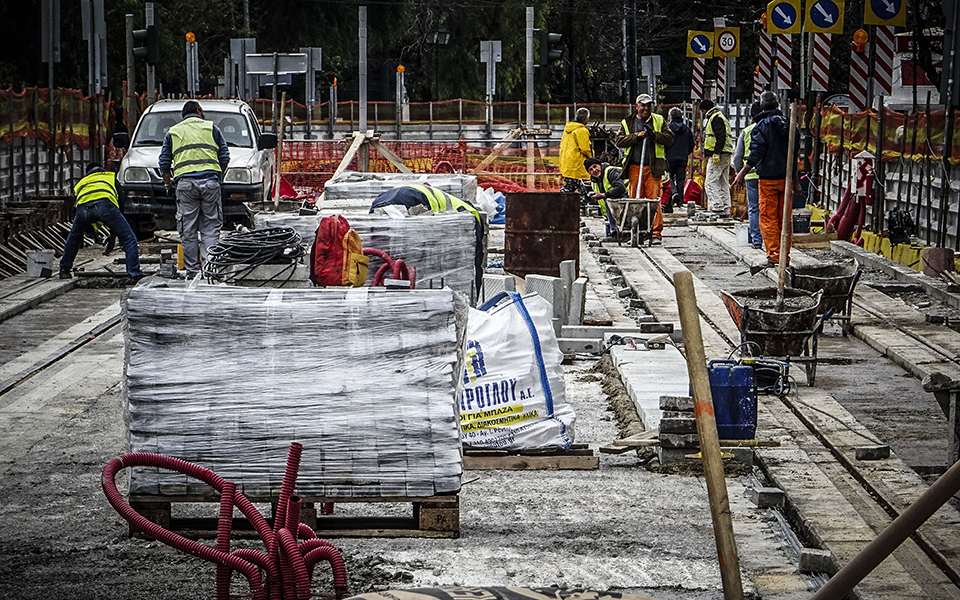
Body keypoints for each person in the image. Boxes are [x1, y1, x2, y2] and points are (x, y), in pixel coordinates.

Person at [158, 100, 230, 279]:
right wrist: (217, 176)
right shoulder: (212, 128)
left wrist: (168, 185)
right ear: (199, 111)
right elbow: (225, 157)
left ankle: (193, 272)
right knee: (211, 227)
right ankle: (210, 269)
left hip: (185, 185)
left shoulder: (173, 132)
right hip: (210, 182)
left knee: (188, 229)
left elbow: (164, 163)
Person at [370, 184, 485, 293]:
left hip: (385, 198)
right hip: (411, 199)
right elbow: (474, 269)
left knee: (384, 250)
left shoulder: (457, 208)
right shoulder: (469, 217)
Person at [732, 91, 801, 268]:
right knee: (784, 220)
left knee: (768, 219)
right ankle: (784, 256)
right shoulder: (789, 125)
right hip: (785, 180)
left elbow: (757, 152)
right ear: (777, 105)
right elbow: (793, 155)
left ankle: (774, 256)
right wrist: (796, 181)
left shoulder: (762, 126)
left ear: (761, 106)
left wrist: (742, 172)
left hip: (768, 180)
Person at [59, 163, 143, 282]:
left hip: (83, 209)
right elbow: (121, 207)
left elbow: (75, 212)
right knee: (129, 239)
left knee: (73, 237)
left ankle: (64, 270)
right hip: (106, 206)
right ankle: (134, 274)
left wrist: (91, 233)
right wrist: (113, 235)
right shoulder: (110, 178)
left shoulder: (82, 182)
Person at [615, 93, 674, 244]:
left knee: (653, 200)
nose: (646, 108)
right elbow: (620, 141)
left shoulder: (659, 120)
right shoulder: (628, 122)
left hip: (653, 167)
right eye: (643, 105)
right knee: (635, 199)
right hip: (634, 166)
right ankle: (637, 231)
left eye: (649, 105)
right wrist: (637, 137)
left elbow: (669, 138)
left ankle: (655, 233)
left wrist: (653, 135)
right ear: (637, 106)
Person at [732, 102, 764, 249]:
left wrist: (740, 173)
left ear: (751, 117)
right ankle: (769, 238)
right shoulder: (770, 128)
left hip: (750, 176)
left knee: (753, 208)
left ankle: (756, 240)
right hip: (767, 174)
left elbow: (738, 156)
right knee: (768, 207)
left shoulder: (747, 131)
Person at [699, 98, 733, 215]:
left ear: (705, 110)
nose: (703, 114)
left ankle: (717, 206)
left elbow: (720, 136)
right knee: (723, 181)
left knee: (710, 182)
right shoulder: (721, 117)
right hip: (726, 153)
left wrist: (716, 152)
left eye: (702, 111)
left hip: (718, 155)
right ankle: (725, 207)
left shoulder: (715, 118)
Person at [584, 157, 627, 240]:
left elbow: (621, 188)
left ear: (600, 165)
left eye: (595, 166)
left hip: (627, 197)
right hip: (613, 205)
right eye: (591, 169)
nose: (594, 170)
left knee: (610, 200)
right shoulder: (594, 182)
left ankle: (615, 233)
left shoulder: (610, 172)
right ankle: (613, 231)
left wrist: (603, 195)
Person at [665, 107, 695, 211]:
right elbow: (692, 144)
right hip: (683, 158)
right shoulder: (687, 129)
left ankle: (673, 193)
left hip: (670, 157)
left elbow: (664, 142)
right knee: (681, 180)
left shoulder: (668, 128)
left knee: (668, 178)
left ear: (671, 117)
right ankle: (680, 201)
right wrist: (686, 153)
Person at [559, 107, 593, 193]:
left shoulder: (568, 129)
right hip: (578, 167)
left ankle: (559, 203)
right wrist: (593, 157)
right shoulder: (581, 130)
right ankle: (582, 205)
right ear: (586, 119)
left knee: (569, 188)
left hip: (567, 166)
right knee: (584, 191)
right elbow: (585, 149)